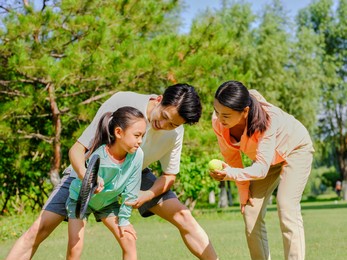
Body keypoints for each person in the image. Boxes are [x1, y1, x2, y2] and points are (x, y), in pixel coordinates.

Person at [6, 83, 218, 260]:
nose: (162, 125)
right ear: (160, 99)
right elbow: (78, 150)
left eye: (172, 124)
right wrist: (87, 177)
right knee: (38, 230)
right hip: (93, 169)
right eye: (163, 116)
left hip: (135, 173)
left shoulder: (175, 133)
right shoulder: (123, 101)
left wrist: (147, 195)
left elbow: (169, 176)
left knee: (184, 216)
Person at [209, 80, 314, 260]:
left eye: (226, 115)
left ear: (245, 112)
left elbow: (260, 170)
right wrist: (243, 192)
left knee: (286, 205)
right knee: (250, 212)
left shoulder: (268, 119)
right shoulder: (218, 123)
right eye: (217, 111)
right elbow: (232, 158)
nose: (219, 119)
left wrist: (229, 174)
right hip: (267, 161)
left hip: (295, 149)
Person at [66, 107, 146, 260]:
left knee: (128, 240)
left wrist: (124, 221)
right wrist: (94, 184)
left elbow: (131, 191)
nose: (140, 141)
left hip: (108, 203)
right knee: (75, 247)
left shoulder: (138, 155)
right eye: (136, 135)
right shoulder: (99, 154)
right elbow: (89, 179)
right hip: (81, 199)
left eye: (142, 135)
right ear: (118, 132)